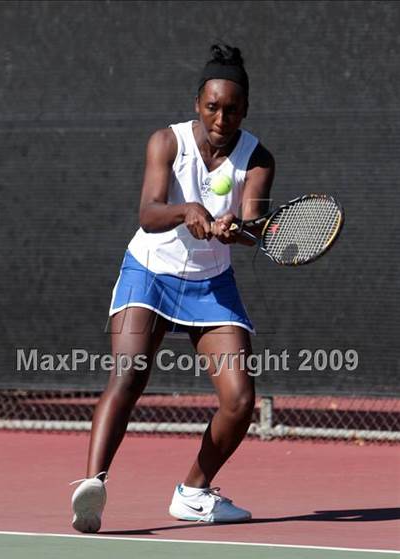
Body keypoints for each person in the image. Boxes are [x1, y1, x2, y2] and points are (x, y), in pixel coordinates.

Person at [71, 43, 275, 532]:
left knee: (240, 400)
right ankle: (91, 490)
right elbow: (148, 212)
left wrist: (235, 229)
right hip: (149, 272)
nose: (221, 118)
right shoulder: (167, 142)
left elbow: (256, 228)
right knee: (128, 377)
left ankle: (193, 492)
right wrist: (188, 212)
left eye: (232, 109)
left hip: (211, 284)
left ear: (244, 110)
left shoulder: (258, 157)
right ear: (197, 104)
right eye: (212, 106)